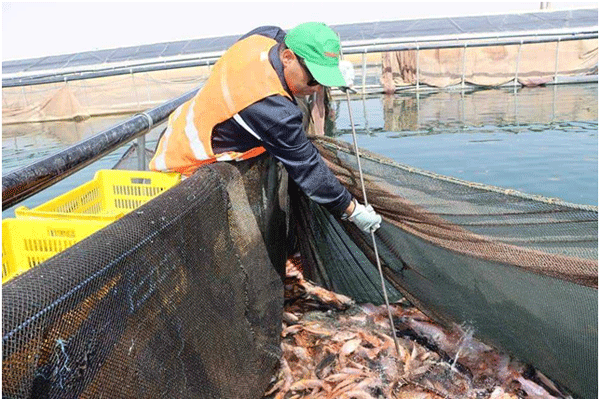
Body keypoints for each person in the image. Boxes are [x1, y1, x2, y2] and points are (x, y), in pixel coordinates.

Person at [149, 22, 381, 233]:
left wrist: (334, 73)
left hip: (179, 126)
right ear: (288, 57)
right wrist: (351, 209)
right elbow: (308, 168)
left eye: (324, 80)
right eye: (314, 79)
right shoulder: (271, 108)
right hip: (185, 166)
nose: (317, 89)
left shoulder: (262, 38)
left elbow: (280, 33)